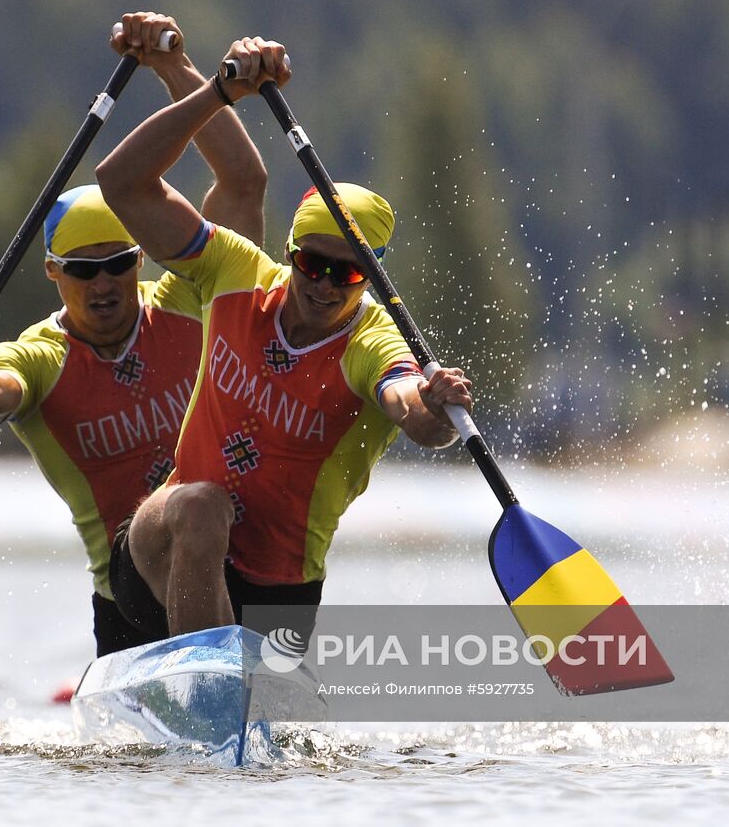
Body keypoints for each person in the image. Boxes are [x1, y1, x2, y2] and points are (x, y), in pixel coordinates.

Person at [96, 36, 475, 638]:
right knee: (200, 506)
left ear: (371, 274)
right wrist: (217, 93)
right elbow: (121, 181)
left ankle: (225, 698)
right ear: (290, 253)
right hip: (162, 556)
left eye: (348, 272)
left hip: (281, 591)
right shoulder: (236, 273)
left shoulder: (373, 341)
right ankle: (213, 689)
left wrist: (432, 404)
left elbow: (417, 417)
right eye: (311, 264)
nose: (325, 285)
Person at [0, 13, 268, 657]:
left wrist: (180, 70)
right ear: (53, 272)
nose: (103, 282)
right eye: (84, 270)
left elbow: (243, 186)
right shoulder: (40, 357)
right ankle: (212, 680)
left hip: (225, 556)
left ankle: (231, 686)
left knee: (211, 513)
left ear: (141, 260)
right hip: (130, 592)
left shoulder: (187, 303)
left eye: (119, 263)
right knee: (197, 505)